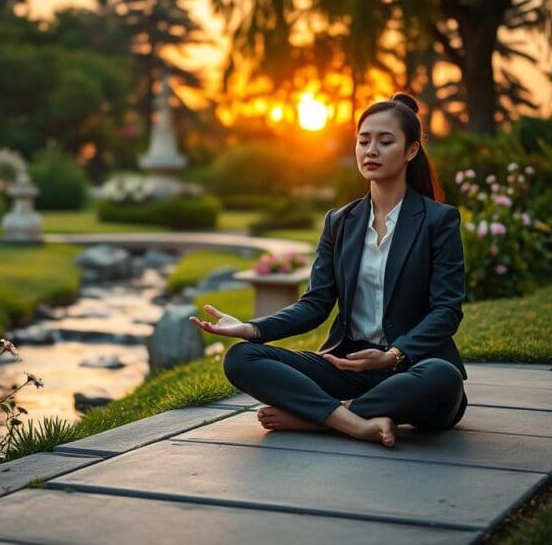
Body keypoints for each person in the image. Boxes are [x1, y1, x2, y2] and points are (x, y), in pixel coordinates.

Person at [188, 92, 468, 448]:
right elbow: (316, 303)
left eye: (385, 142)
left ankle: (322, 419)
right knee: (242, 358)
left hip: (411, 367)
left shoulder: (438, 221)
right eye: (363, 141)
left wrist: (393, 354)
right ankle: (358, 423)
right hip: (348, 366)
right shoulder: (340, 222)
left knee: (442, 377)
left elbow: (446, 310)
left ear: (411, 150)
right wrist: (253, 328)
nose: (371, 150)